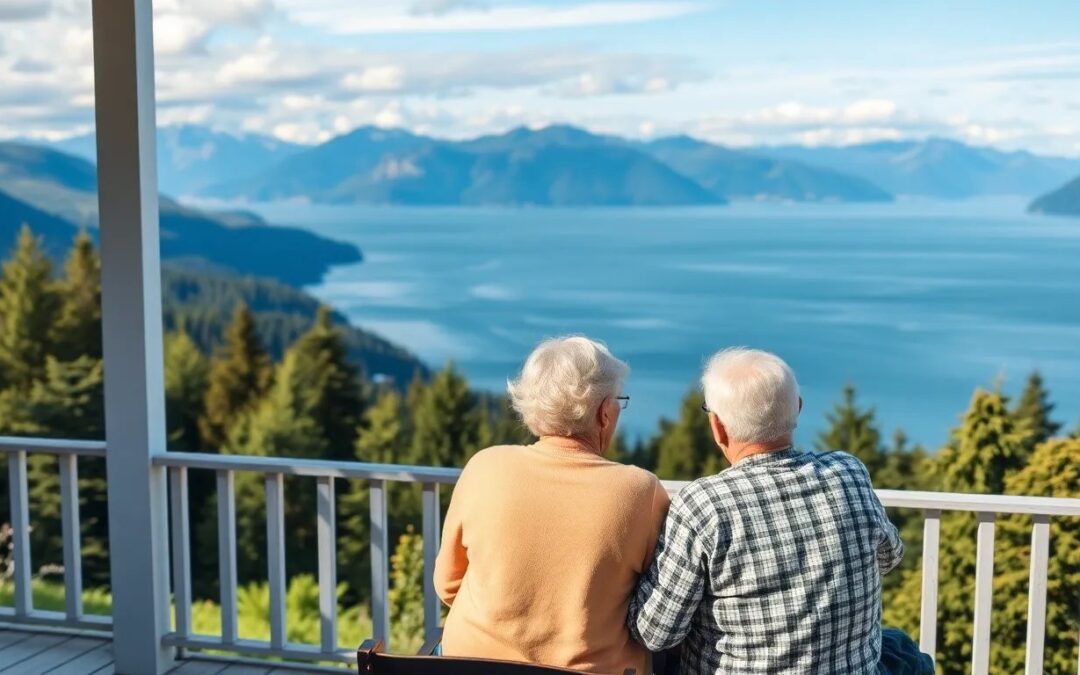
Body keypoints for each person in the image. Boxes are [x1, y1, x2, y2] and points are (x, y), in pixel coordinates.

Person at [628, 347, 933, 674]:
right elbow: (889, 557)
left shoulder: (704, 504)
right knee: (901, 650)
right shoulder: (848, 472)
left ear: (718, 426)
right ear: (797, 409)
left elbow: (655, 632)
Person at [434, 336, 670, 675]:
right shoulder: (640, 491)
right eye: (618, 401)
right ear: (604, 413)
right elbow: (655, 611)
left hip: (469, 666)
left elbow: (447, 585)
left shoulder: (484, 467)